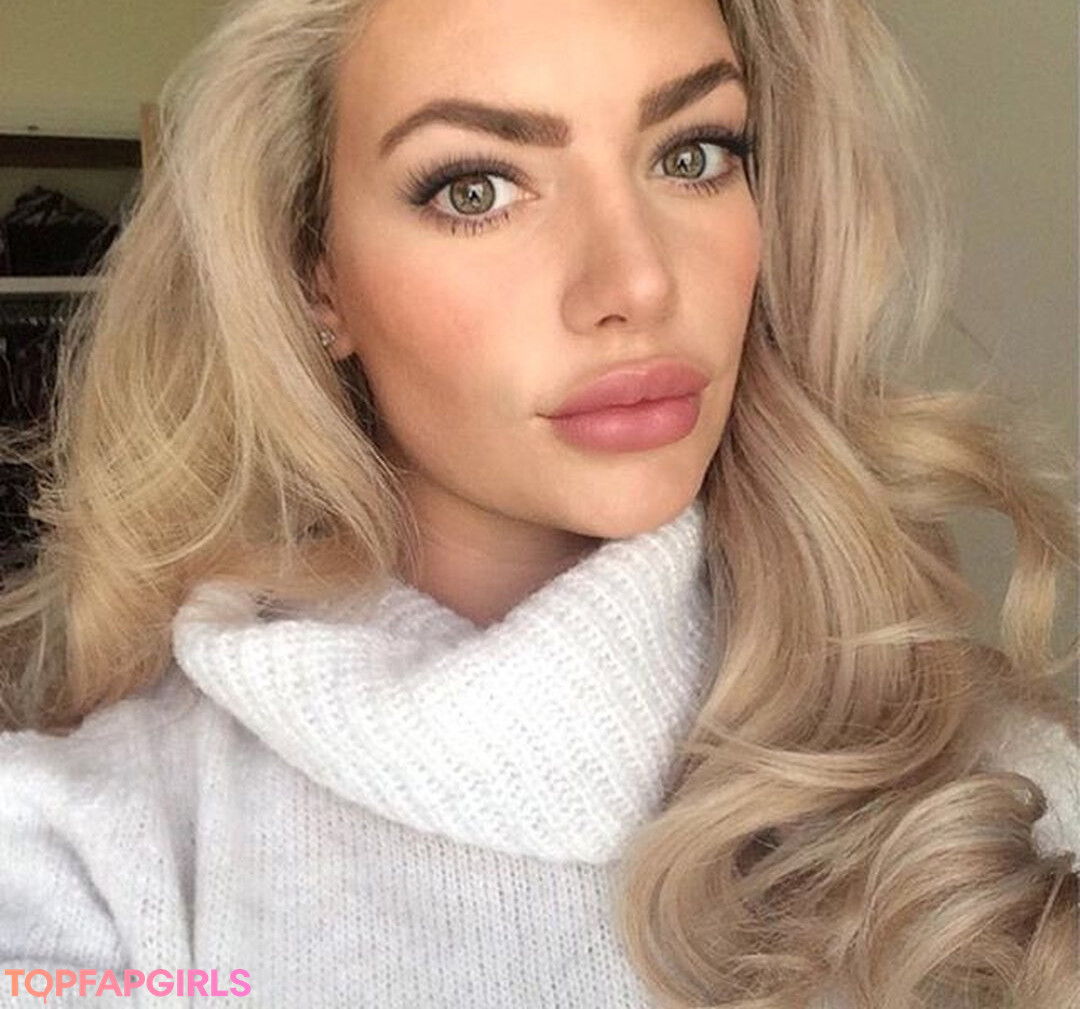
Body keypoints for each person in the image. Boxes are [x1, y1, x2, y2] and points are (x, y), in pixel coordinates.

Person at [0, 0, 1076, 1006]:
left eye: (694, 155)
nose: (637, 282)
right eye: (476, 188)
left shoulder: (999, 793)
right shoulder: (85, 856)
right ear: (313, 276)